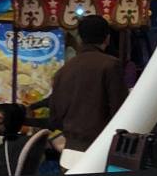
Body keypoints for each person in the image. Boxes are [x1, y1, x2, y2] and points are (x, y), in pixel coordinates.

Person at [47, 14, 126, 154]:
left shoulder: (64, 70)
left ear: (80, 39)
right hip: (100, 147)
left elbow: (54, 117)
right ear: (107, 38)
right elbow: (119, 109)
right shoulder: (111, 65)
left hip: (69, 147)